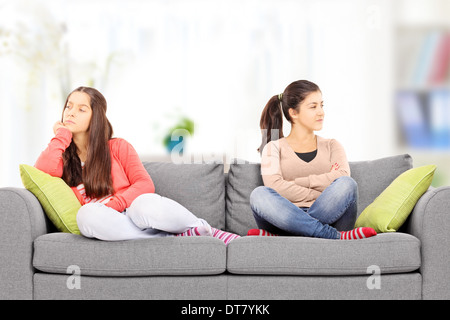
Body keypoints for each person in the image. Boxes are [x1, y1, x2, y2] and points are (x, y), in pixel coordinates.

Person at [35, 86, 239, 244]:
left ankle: (204, 229)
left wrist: (115, 204)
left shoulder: (118, 147)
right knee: (86, 215)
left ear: (95, 117)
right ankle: (165, 240)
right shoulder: (63, 158)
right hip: (114, 226)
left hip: (135, 214)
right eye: (68, 106)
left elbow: (144, 184)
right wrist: (62, 135)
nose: (70, 113)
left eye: (81, 109)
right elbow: (41, 171)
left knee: (143, 204)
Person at [248, 80, 377, 240]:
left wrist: (296, 183)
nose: (321, 112)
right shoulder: (273, 148)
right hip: (284, 214)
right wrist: (320, 191)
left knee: (347, 184)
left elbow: (343, 175)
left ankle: (288, 233)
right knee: (259, 194)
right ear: (293, 113)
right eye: (313, 106)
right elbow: (274, 186)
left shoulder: (332, 145)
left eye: (322, 105)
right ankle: (331, 235)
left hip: (326, 214)